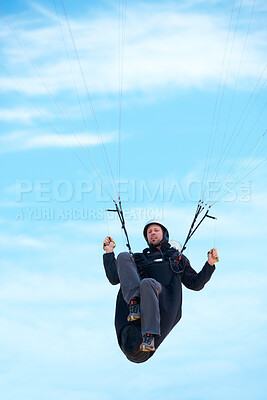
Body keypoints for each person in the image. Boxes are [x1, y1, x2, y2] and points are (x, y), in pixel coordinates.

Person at [103, 220, 219, 363]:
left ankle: (149, 336)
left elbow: (195, 283)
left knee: (147, 283)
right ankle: (134, 305)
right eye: (149, 232)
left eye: (156, 230)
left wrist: (210, 264)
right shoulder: (139, 259)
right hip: (140, 300)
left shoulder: (176, 258)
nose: (152, 233)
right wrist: (109, 253)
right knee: (123, 256)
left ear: (164, 234)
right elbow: (115, 278)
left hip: (163, 302)